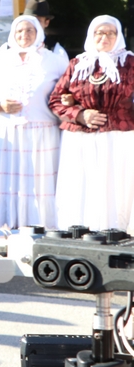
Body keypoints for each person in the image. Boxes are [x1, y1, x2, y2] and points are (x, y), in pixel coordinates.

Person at [0, 15, 67, 229]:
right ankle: (7, 229)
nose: (24, 35)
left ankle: (40, 228)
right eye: (19, 31)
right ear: (12, 34)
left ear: (38, 33)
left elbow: (69, 89)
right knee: (8, 184)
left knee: (37, 183)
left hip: (41, 133)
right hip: (6, 133)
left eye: (29, 30)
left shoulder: (54, 61)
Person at [49, 15, 134, 232]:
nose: (104, 37)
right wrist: (80, 114)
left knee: (115, 186)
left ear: (118, 36)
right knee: (82, 184)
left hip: (118, 137)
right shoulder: (77, 64)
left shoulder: (129, 63)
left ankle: (116, 232)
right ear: (91, 35)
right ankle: (79, 232)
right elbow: (56, 99)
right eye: (99, 33)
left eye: (110, 33)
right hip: (79, 137)